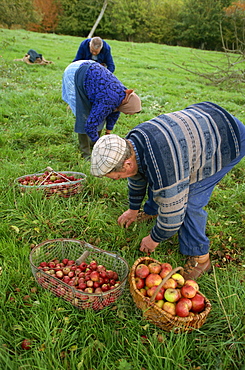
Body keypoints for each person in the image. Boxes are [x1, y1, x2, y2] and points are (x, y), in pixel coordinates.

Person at [90, 101, 245, 280]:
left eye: (116, 176)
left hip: (228, 137)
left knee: (190, 199)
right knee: (160, 178)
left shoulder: (164, 163)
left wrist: (154, 238)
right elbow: (137, 175)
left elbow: (174, 214)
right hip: (204, 121)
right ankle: (152, 211)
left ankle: (200, 257)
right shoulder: (131, 144)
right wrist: (133, 209)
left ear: (126, 163)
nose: (118, 179)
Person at [62, 60, 141, 160]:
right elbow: (90, 124)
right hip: (75, 73)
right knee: (84, 115)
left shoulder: (122, 96)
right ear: (127, 107)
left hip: (90, 70)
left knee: (98, 114)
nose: (127, 114)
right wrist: (100, 144)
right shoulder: (109, 99)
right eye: (129, 113)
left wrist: (108, 132)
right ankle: (85, 153)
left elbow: (114, 113)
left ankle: (92, 144)